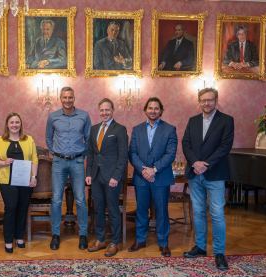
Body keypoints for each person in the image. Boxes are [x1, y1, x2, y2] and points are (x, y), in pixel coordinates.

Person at [182, 87, 234, 271]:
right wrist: (195, 162)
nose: (206, 103)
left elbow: (225, 147)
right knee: (198, 212)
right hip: (195, 174)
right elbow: (186, 143)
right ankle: (200, 247)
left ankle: (219, 253)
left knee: (217, 214)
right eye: (203, 100)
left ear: (216, 100)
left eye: (210, 100)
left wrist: (206, 164)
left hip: (215, 174)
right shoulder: (193, 121)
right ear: (199, 101)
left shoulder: (226, 120)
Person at [128, 97, 177, 257]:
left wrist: (154, 170)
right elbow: (132, 153)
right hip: (141, 177)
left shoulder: (170, 129)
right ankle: (140, 240)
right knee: (141, 210)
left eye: (156, 108)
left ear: (161, 111)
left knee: (161, 210)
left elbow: (170, 154)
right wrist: (144, 170)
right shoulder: (137, 129)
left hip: (160, 177)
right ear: (145, 110)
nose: (153, 111)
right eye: (150, 108)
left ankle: (163, 243)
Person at [45, 86, 91, 250]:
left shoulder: (84, 116)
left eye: (70, 97)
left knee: (80, 199)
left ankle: (83, 234)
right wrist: (56, 152)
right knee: (57, 199)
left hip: (77, 162)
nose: (67, 100)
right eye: (64, 97)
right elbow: (48, 138)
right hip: (59, 162)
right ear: (60, 98)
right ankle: (56, 234)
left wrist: (81, 156)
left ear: (74, 98)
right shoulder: (53, 117)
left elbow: (89, 139)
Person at [86, 98, 128, 257]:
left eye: (107, 110)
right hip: (96, 177)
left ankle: (115, 242)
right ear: (99, 111)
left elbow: (123, 156)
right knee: (98, 210)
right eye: (102, 110)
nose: (104, 113)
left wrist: (116, 176)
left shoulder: (120, 129)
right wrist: (88, 173)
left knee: (112, 209)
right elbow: (90, 153)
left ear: (112, 110)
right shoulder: (93, 129)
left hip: (112, 178)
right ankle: (100, 239)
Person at [0, 113, 38, 253]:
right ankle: (8, 239)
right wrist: (3, 162)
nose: (14, 125)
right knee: (11, 208)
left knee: (23, 208)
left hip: (25, 181)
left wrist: (34, 177)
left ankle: (19, 236)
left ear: (20, 124)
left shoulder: (29, 140)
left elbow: (34, 159)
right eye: (12, 122)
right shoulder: (0, 140)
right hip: (6, 181)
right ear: (7, 124)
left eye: (17, 122)